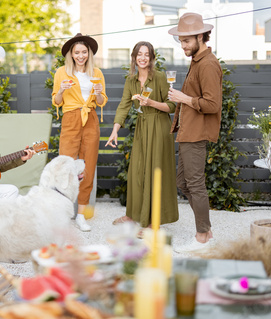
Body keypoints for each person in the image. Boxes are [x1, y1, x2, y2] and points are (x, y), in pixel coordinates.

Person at [106, 41, 178, 230]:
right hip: (142, 128)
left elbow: (171, 106)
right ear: (134, 58)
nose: (143, 58)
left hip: (160, 127)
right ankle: (133, 215)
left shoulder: (161, 77)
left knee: (155, 172)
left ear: (152, 58)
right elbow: (123, 105)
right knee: (137, 171)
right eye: (139, 54)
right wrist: (114, 130)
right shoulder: (131, 80)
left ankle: (152, 221)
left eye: (147, 54)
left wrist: (150, 103)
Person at [167, 13, 223, 253]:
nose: (183, 46)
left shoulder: (208, 64)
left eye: (187, 41)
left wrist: (183, 98)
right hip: (188, 131)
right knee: (183, 182)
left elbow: (213, 105)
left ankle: (202, 237)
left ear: (201, 36)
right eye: (180, 41)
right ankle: (207, 231)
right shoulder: (197, 61)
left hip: (197, 133)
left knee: (195, 184)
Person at [52, 33, 108, 232]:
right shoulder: (62, 73)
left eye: (84, 52)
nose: (81, 55)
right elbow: (57, 101)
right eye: (77, 52)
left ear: (89, 53)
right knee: (66, 165)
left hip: (90, 119)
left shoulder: (97, 73)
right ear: (71, 54)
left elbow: (101, 102)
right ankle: (63, 212)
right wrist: (61, 90)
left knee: (88, 166)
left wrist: (100, 93)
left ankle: (81, 216)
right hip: (70, 119)